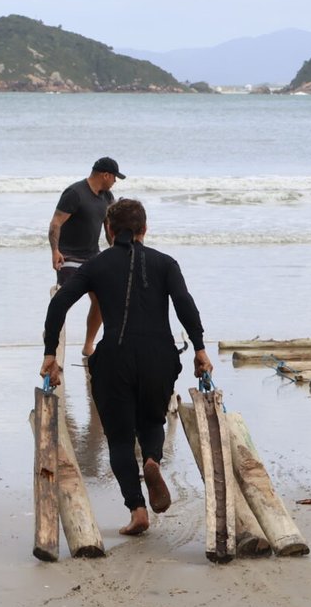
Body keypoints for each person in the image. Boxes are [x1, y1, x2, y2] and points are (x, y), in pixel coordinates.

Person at [41, 199, 212, 536]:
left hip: (115, 358)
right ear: (144, 229)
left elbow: (60, 302)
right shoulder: (166, 264)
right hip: (160, 357)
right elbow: (184, 305)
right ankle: (151, 460)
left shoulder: (97, 265)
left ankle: (137, 510)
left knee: (119, 439)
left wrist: (50, 354)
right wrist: (200, 349)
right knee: (152, 420)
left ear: (108, 230)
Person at [48, 156, 122, 357]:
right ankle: (54, 346)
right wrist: (55, 251)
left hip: (92, 256)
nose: (115, 182)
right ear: (105, 175)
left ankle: (88, 345)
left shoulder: (107, 197)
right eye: (114, 177)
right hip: (69, 255)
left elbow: (110, 230)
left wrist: (118, 251)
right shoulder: (75, 193)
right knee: (63, 300)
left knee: (101, 298)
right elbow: (56, 223)